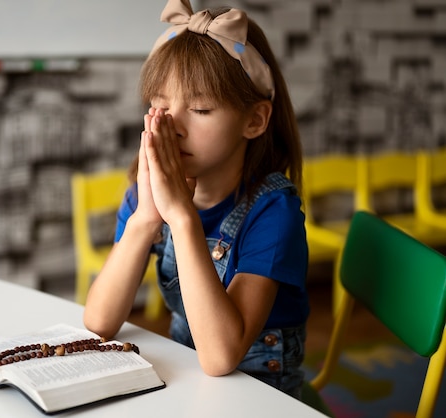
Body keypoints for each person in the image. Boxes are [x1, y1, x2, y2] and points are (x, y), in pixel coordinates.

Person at [83, 0, 309, 399]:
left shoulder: (274, 210)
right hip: (191, 384)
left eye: (200, 108)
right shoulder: (146, 193)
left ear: (254, 120)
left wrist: (182, 218)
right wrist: (146, 219)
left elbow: (222, 356)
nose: (174, 125)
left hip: (262, 393)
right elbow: (99, 321)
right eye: (159, 106)